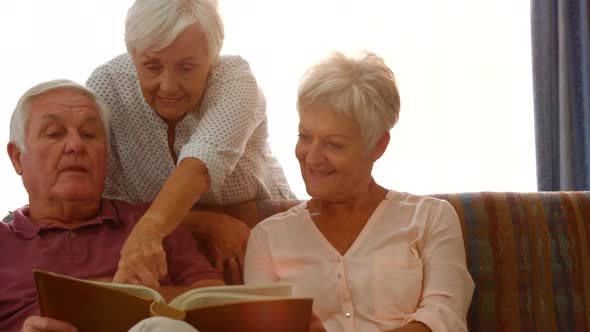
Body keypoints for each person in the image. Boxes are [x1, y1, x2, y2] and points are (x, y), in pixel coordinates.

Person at [244, 52, 475, 332]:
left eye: (334, 144)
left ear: (378, 145)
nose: (312, 157)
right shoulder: (267, 238)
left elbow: (444, 318)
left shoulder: (431, 218)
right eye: (305, 137)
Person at [86, 0, 295, 286]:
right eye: (152, 66)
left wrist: (150, 230)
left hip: (256, 225)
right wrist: (204, 223)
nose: (168, 85)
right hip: (158, 239)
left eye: (186, 68)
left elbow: (201, 164)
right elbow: (102, 200)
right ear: (132, 55)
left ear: (212, 57)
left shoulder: (236, 80)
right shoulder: (106, 87)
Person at [0, 80, 223, 332]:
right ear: (17, 157)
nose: (76, 146)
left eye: (89, 134)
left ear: (105, 154)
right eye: (54, 133)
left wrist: (128, 299)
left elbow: (215, 303)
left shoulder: (151, 222)